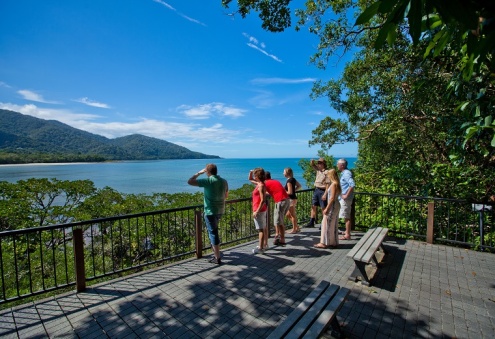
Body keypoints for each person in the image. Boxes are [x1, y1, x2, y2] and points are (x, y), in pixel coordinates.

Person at [187, 163, 228, 264]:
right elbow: (226, 195)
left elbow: (190, 181)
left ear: (207, 172)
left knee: (213, 233)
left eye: (206, 171)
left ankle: (217, 257)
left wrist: (199, 173)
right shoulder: (224, 181)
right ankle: (215, 252)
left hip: (210, 211)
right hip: (220, 210)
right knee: (213, 231)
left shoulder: (208, 181)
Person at [314, 169, 342, 248]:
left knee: (326, 223)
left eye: (328, 175)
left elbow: (332, 198)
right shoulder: (337, 183)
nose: (327, 176)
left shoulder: (333, 184)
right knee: (334, 223)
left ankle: (324, 243)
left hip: (332, 205)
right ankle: (334, 241)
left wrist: (327, 208)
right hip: (336, 204)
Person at [264, 173, 291, 246]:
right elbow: (273, 191)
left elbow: (262, 191)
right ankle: (279, 237)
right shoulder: (275, 181)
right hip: (287, 200)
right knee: (280, 220)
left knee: (278, 221)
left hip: (280, 201)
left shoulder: (266, 183)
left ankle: (282, 240)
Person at [305, 158, 330, 228]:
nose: (318, 164)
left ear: (323, 164)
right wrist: (313, 161)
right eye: (318, 163)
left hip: (322, 190)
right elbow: (312, 165)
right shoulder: (318, 171)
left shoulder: (327, 172)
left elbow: (328, 184)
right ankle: (312, 221)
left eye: (320, 163)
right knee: (313, 206)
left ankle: (324, 223)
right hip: (316, 189)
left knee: (323, 207)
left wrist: (325, 193)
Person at [248, 168, 268, 254]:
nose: (254, 176)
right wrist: (251, 172)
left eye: (255, 175)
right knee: (262, 227)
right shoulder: (260, 184)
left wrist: (257, 211)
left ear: (258, 176)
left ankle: (261, 248)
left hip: (259, 210)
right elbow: (250, 179)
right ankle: (264, 245)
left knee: (260, 229)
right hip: (262, 209)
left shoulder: (260, 186)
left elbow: (263, 200)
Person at [337, 158, 355, 240]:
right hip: (342, 197)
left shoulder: (347, 173)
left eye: (338, 164)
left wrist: (346, 195)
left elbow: (352, 184)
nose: (337, 166)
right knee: (345, 215)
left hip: (345, 199)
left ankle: (347, 234)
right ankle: (347, 232)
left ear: (342, 165)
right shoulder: (344, 173)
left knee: (346, 216)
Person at [284, 167, 301, 234]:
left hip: (291, 199)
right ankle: (296, 227)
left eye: (284, 172)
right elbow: (299, 186)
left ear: (287, 173)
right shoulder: (293, 179)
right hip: (293, 198)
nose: (283, 173)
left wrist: (283, 191)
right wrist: (294, 191)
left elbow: (290, 192)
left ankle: (294, 229)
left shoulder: (289, 181)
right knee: (288, 214)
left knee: (292, 214)